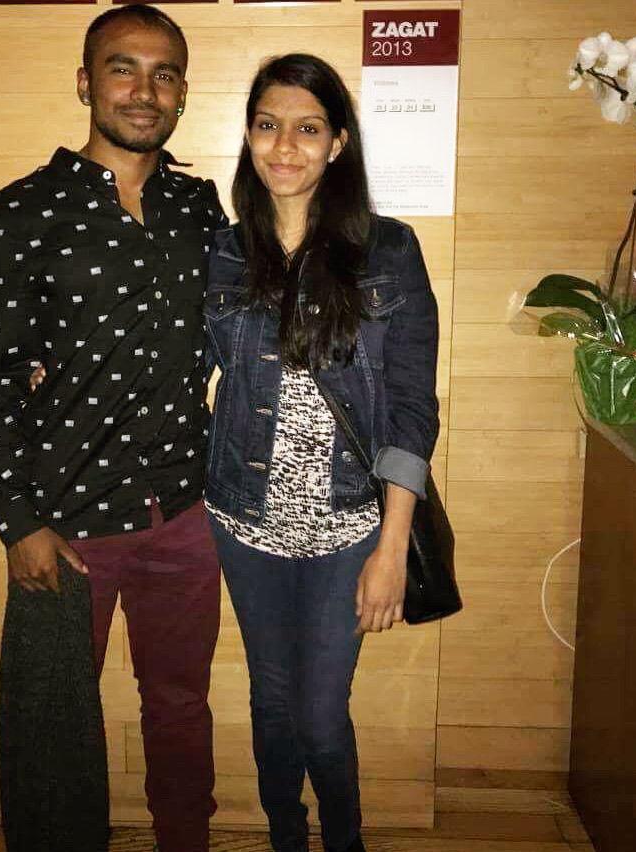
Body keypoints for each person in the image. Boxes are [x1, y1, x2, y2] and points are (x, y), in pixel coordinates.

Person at [0, 6, 226, 852]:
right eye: (123, 68)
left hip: (185, 511)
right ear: (85, 82)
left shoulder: (201, 208)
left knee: (180, 704)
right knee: (51, 722)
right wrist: (16, 521)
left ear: (182, 92)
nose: (145, 91)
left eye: (164, 73)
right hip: (65, 521)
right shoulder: (18, 212)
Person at [202, 54, 440, 852]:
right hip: (244, 521)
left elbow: (411, 408)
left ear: (338, 143)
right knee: (270, 706)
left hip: (350, 528)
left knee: (319, 716)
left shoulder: (390, 250)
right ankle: (285, 838)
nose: (285, 146)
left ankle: (344, 841)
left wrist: (392, 549)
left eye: (307, 129)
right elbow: (174, 364)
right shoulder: (223, 252)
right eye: (268, 125)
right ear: (248, 135)